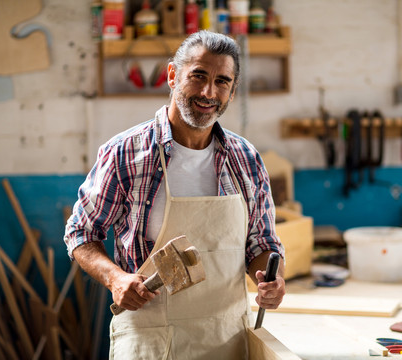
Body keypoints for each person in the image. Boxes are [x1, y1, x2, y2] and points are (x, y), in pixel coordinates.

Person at [64, 30, 285, 359]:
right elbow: (80, 232)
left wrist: (273, 280)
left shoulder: (246, 159)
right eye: (198, 76)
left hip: (225, 339)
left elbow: (262, 243)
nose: (209, 92)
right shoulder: (126, 153)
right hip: (149, 338)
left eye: (222, 81)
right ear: (172, 75)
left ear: (233, 91)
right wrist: (116, 278)